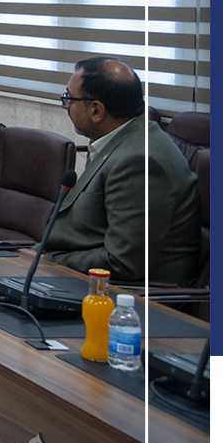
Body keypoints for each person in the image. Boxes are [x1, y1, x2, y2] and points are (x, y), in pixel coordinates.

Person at [45, 57, 202, 284]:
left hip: (131, 296)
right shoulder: (118, 140)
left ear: (96, 111)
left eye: (69, 98)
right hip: (81, 275)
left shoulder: (141, 162)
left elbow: (121, 262)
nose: (65, 105)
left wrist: (51, 261)